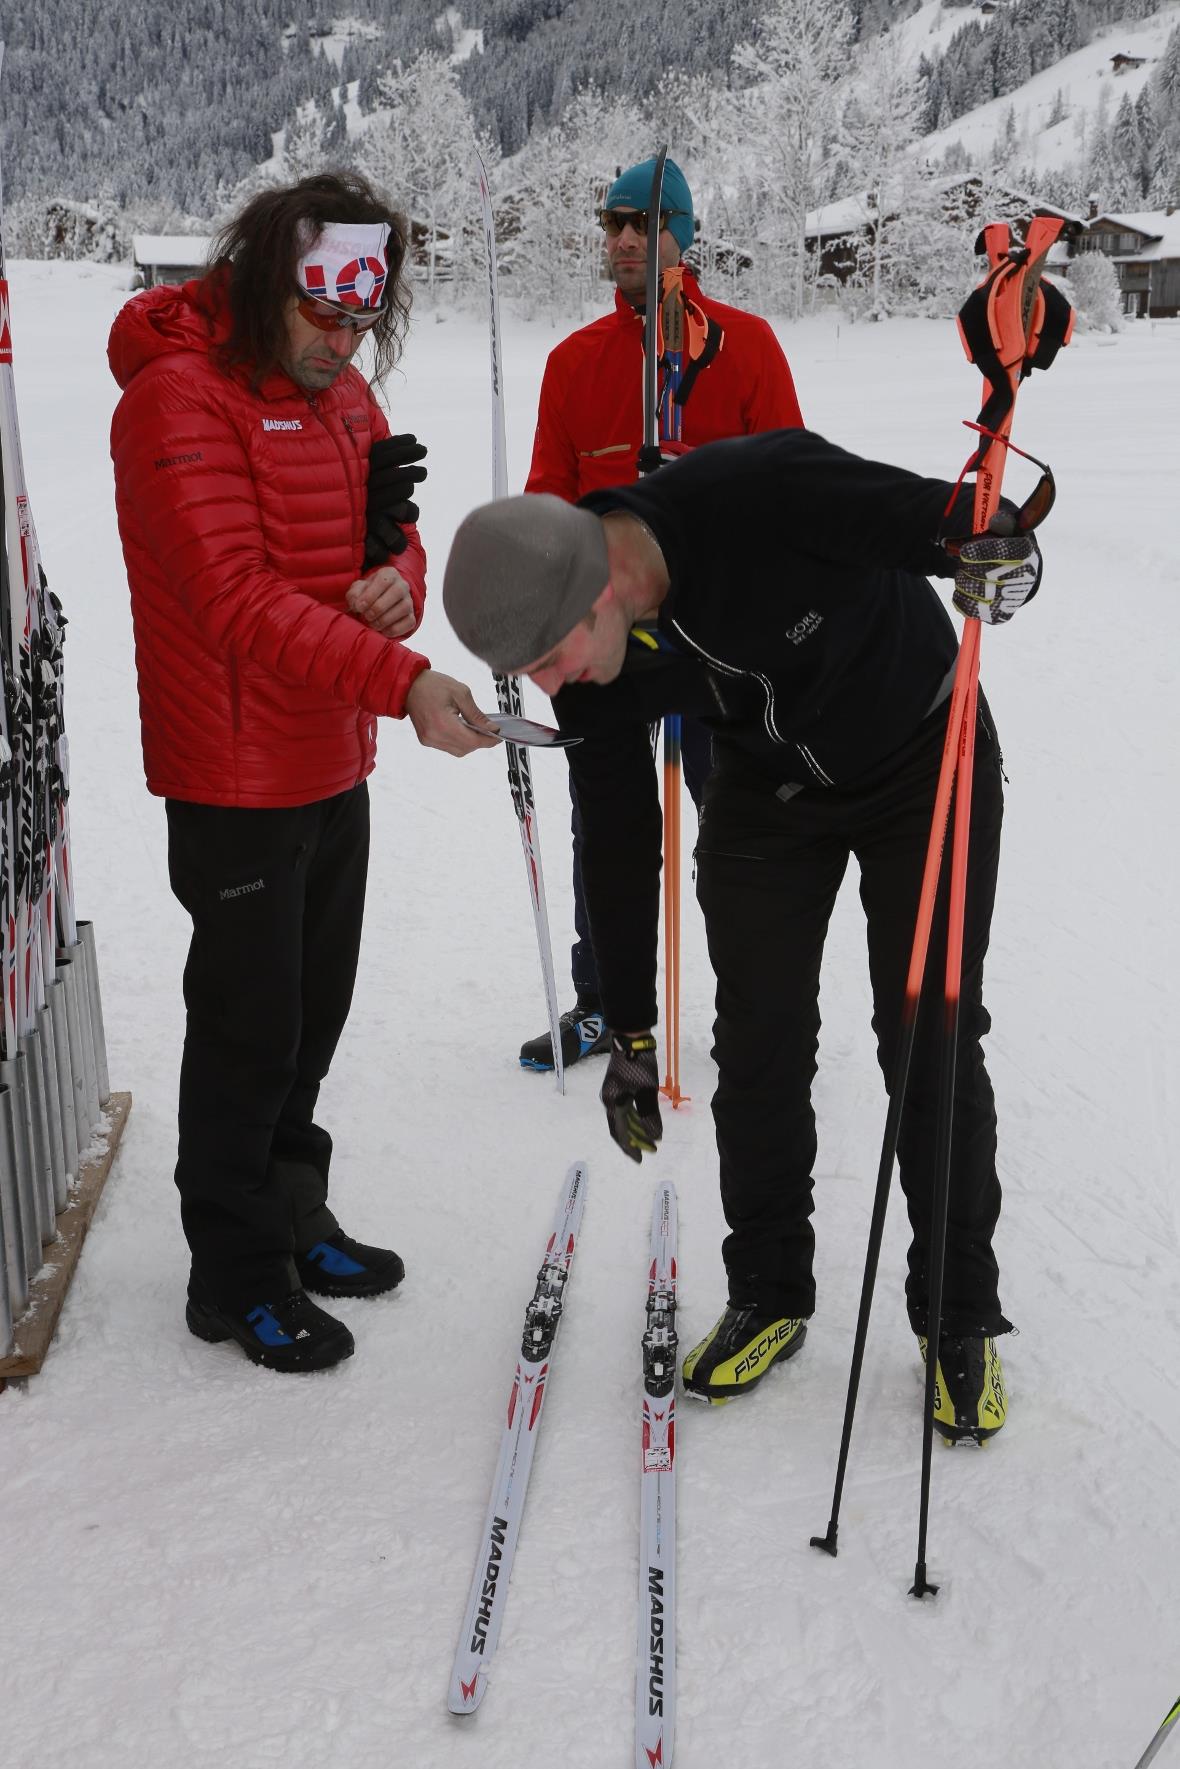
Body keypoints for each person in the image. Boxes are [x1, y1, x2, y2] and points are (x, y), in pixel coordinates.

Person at [443, 429, 1045, 1439]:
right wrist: (628, 1032)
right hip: (766, 792)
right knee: (758, 1044)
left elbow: (949, 525)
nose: (550, 687)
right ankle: (769, 1289)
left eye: (547, 660)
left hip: (920, 757)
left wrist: (1001, 551)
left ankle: (955, 1315)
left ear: (597, 591)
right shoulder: (595, 673)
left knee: (926, 1035)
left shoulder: (761, 488)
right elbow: (620, 842)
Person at [109, 172, 497, 1374]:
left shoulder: (344, 400)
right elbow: (230, 598)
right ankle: (232, 1272)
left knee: (310, 1012)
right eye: (324, 316)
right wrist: (399, 675)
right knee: (246, 1024)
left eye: (363, 319)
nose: (345, 342)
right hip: (232, 769)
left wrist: (399, 580)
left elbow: (384, 547)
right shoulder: (176, 402)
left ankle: (290, 1213)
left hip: (331, 750)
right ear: (267, 281)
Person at [518, 155, 805, 1072]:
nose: (626, 239)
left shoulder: (748, 346)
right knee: (605, 832)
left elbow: (791, 491)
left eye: (645, 222)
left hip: (719, 641)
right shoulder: (573, 364)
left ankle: (757, 1008)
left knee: (737, 825)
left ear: (684, 233)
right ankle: (604, 1001)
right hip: (609, 645)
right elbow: (548, 504)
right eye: (613, 224)